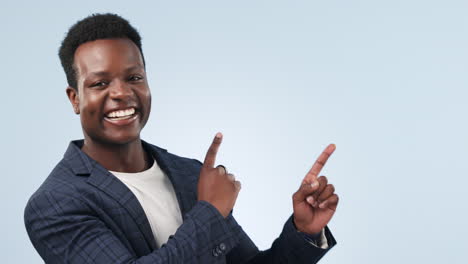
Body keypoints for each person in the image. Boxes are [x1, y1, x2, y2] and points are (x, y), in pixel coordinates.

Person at [24, 13, 339, 263]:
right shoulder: (54, 206)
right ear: (74, 99)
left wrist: (303, 231)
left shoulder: (189, 174)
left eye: (134, 77)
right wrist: (211, 212)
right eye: (99, 83)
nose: (121, 93)